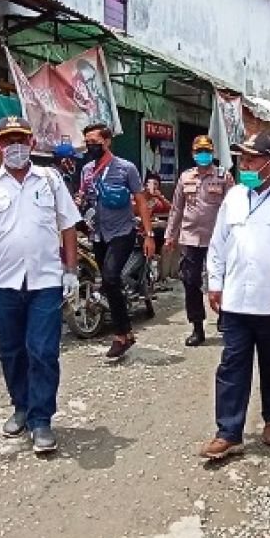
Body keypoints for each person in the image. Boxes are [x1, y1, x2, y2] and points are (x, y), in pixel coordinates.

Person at [0, 116, 82, 453]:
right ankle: (21, 407)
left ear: (32, 144)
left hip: (46, 282)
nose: (15, 146)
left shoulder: (50, 180)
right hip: (5, 283)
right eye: (8, 140)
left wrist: (71, 270)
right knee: (11, 351)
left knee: (43, 351)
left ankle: (42, 420)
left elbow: (68, 226)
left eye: (21, 140)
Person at [201, 132, 270, 461]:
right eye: (242, 159)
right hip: (236, 300)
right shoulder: (234, 197)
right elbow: (219, 243)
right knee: (232, 365)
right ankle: (228, 433)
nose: (244, 165)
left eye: (250, 159)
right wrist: (215, 282)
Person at [78, 123, 156, 361]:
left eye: (95, 142)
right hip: (98, 232)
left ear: (107, 141)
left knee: (111, 277)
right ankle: (125, 331)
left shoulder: (125, 168)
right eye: (87, 142)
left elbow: (141, 201)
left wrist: (149, 233)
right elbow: (84, 197)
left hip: (122, 231)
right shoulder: (87, 170)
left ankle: (122, 334)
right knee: (108, 281)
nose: (90, 146)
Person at [163, 135, 234, 347]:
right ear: (193, 154)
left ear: (212, 153)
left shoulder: (224, 177)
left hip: (218, 239)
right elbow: (176, 208)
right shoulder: (185, 177)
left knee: (222, 280)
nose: (203, 155)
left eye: (207, 151)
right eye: (199, 151)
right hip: (191, 237)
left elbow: (234, 207)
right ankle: (197, 327)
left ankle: (224, 316)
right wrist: (170, 236)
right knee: (191, 282)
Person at [144, 174, 172, 255]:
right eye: (151, 184)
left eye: (156, 184)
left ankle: (156, 256)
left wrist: (160, 197)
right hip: (137, 227)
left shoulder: (155, 201)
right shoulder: (139, 197)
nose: (153, 186)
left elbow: (171, 209)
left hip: (149, 229)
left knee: (163, 229)